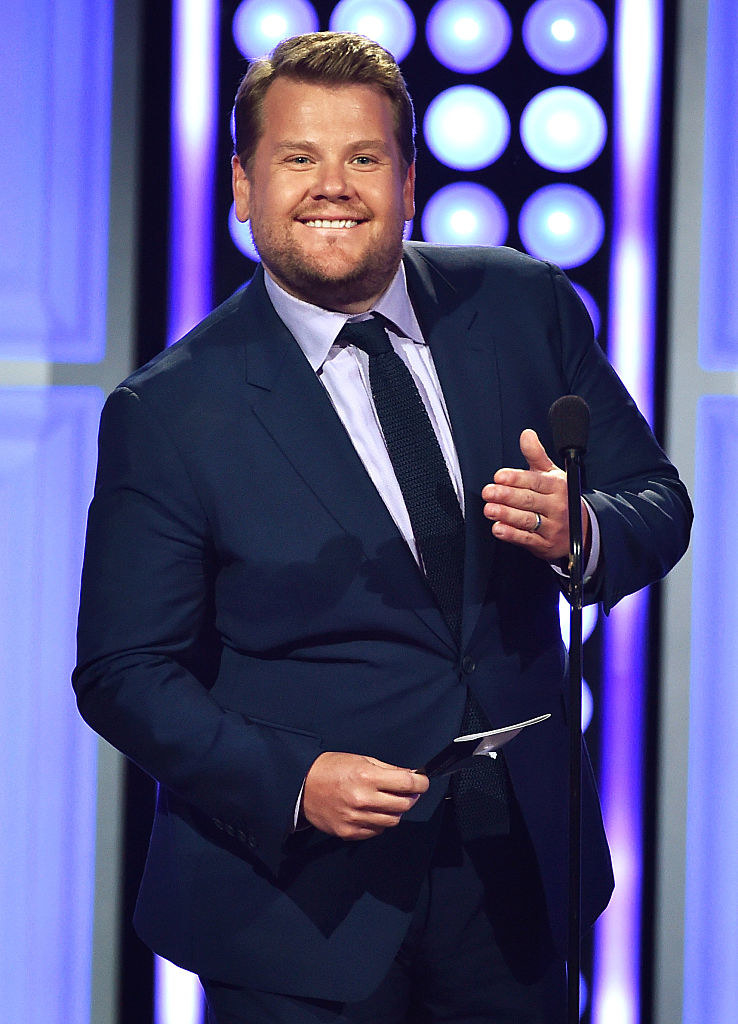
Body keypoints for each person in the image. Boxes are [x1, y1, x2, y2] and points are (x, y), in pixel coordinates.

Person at [73, 31, 692, 1024]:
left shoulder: (523, 304)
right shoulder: (171, 410)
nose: (333, 187)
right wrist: (296, 780)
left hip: (515, 873)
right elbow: (123, 671)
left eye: (363, 158)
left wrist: (583, 531)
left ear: (409, 179)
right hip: (296, 905)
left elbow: (657, 502)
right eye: (297, 159)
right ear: (241, 184)